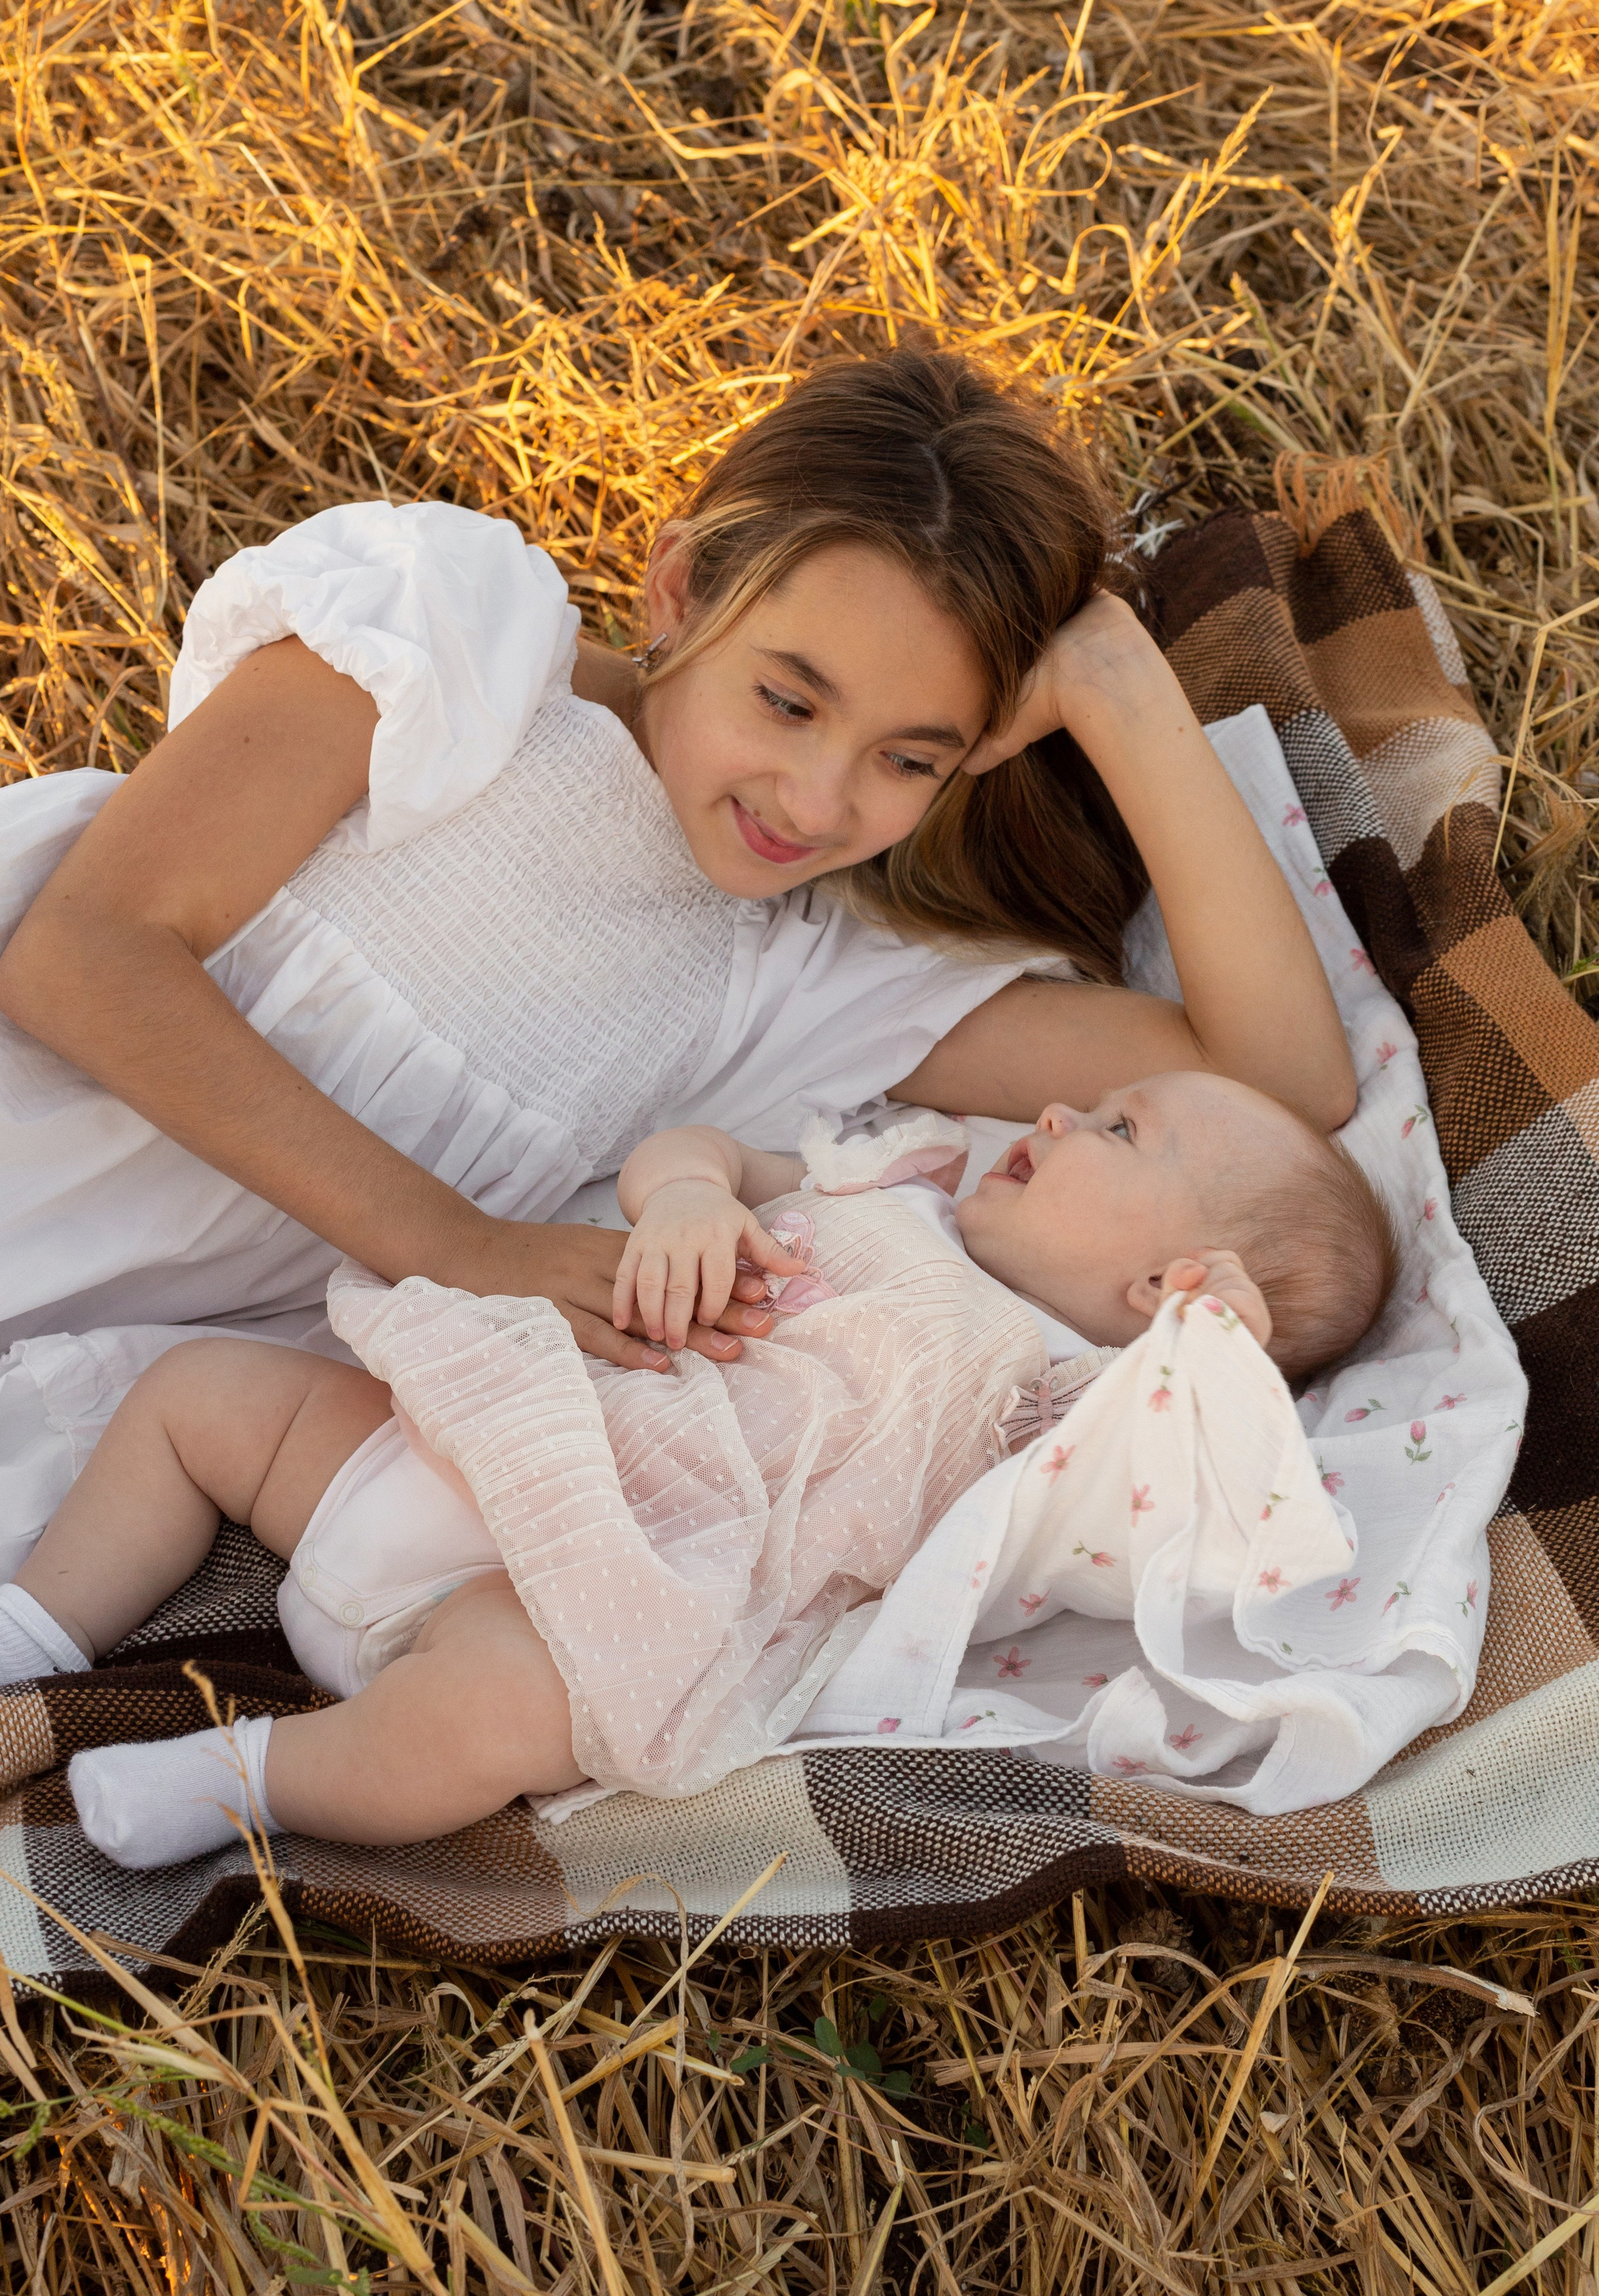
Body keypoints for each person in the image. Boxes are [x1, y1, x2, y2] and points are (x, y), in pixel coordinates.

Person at [0, 348, 1354, 1387]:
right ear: (679, 591)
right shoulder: (463, 644)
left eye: (908, 758)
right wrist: (465, 1250)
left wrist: (1119, 682)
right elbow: (82, 958)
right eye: (787, 700)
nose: (815, 800)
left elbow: (1277, 1090)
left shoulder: (801, 979)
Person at [9, 1067, 1395, 1870]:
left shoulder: (1074, 1399)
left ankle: (248, 1780)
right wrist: (688, 1195)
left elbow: (1207, 1480)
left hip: (607, 1584)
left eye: (1117, 1130)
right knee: (199, 1398)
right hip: (486, 1437)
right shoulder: (898, 1174)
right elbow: (711, 1148)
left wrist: (1218, 1337)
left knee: (497, 1719)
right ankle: (40, 1624)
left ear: (1167, 1279)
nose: (1055, 1110)